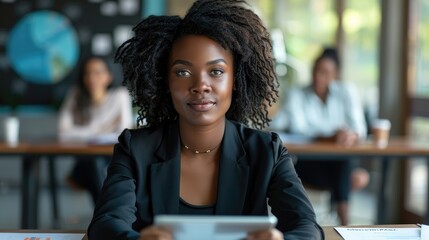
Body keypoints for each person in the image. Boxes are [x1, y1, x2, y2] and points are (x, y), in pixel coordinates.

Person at [87, 0, 324, 239]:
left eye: (216, 71)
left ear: (235, 80)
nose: (200, 85)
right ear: (165, 81)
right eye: (183, 72)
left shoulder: (267, 151)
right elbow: (105, 224)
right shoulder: (135, 149)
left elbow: (307, 227)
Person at [272, 48, 369, 225]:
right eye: (316, 70)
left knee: (342, 161)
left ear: (335, 75)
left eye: (325, 72)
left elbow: (359, 128)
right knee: (349, 173)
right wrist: (329, 137)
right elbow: (298, 129)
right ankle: (345, 224)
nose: (318, 76)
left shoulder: (346, 92)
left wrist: (350, 136)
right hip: (309, 164)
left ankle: (337, 218)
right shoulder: (298, 94)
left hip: (337, 162)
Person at [58, 56, 133, 203]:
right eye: (88, 73)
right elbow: (63, 133)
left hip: (113, 162)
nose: (92, 78)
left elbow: (123, 133)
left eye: (98, 72)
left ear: (109, 76)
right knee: (94, 165)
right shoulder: (75, 95)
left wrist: (83, 132)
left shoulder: (119, 96)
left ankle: (104, 216)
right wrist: (100, 129)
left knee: (99, 167)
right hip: (85, 163)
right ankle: (107, 217)